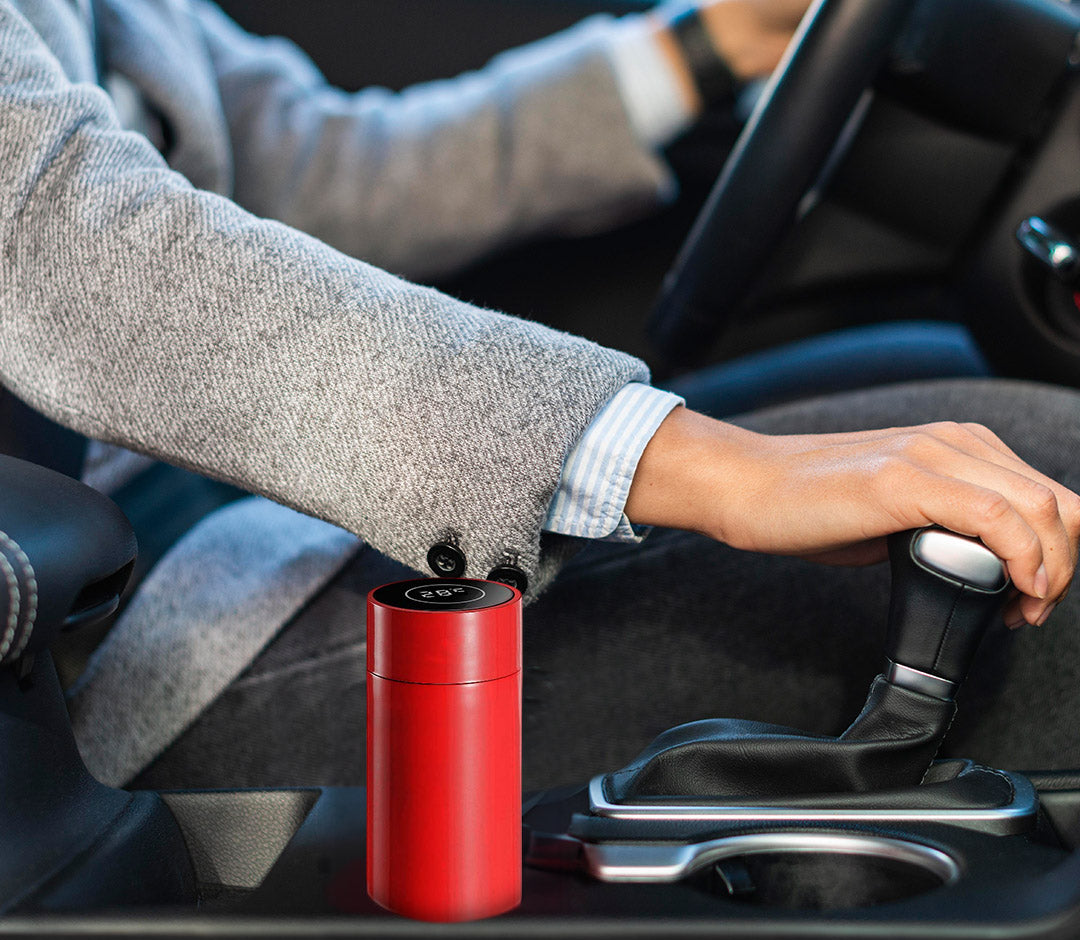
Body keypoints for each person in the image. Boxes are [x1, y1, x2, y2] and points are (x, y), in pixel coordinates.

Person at [0, 0, 1076, 790]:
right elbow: (65, 245)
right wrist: (713, 471)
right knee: (1047, 463)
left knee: (955, 390)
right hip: (101, 652)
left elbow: (307, 168)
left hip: (244, 517)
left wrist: (698, 50)